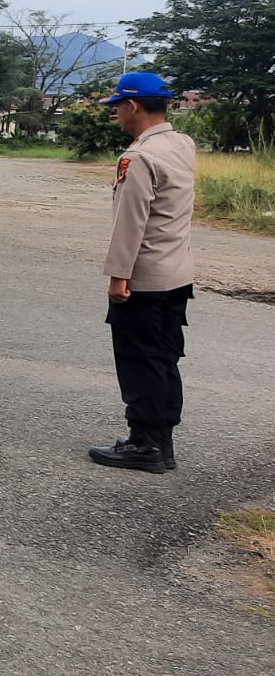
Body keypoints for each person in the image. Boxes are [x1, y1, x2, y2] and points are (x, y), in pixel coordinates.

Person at [87, 72, 196, 474]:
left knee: (139, 358)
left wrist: (118, 276)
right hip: (177, 274)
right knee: (165, 357)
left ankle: (144, 445)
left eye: (117, 106)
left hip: (144, 277)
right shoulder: (183, 145)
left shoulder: (138, 156)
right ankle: (162, 443)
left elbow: (130, 223)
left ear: (133, 106)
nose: (115, 113)